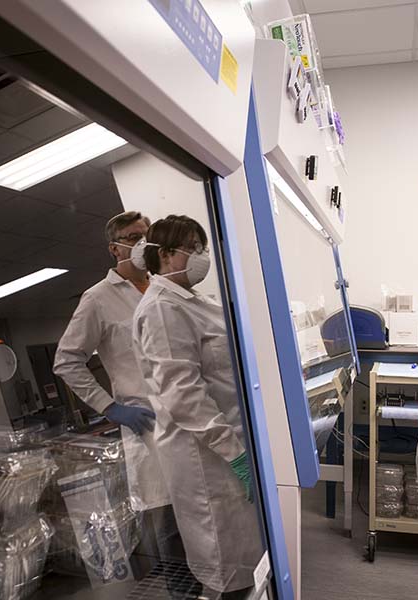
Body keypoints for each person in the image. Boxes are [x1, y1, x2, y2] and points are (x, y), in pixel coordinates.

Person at [53, 211, 190, 588]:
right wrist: (111, 408)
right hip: (146, 425)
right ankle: (183, 594)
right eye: (132, 237)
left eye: (147, 235)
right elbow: (66, 361)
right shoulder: (97, 298)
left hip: (190, 417)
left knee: (201, 512)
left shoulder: (166, 285)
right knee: (168, 525)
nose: (143, 243)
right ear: (114, 248)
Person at [130, 215, 263, 598]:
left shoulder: (194, 302)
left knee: (245, 561)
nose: (202, 256)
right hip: (206, 456)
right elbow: (184, 397)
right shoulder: (161, 309)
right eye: (194, 248)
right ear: (168, 255)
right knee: (224, 563)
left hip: (228, 442)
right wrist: (235, 454)